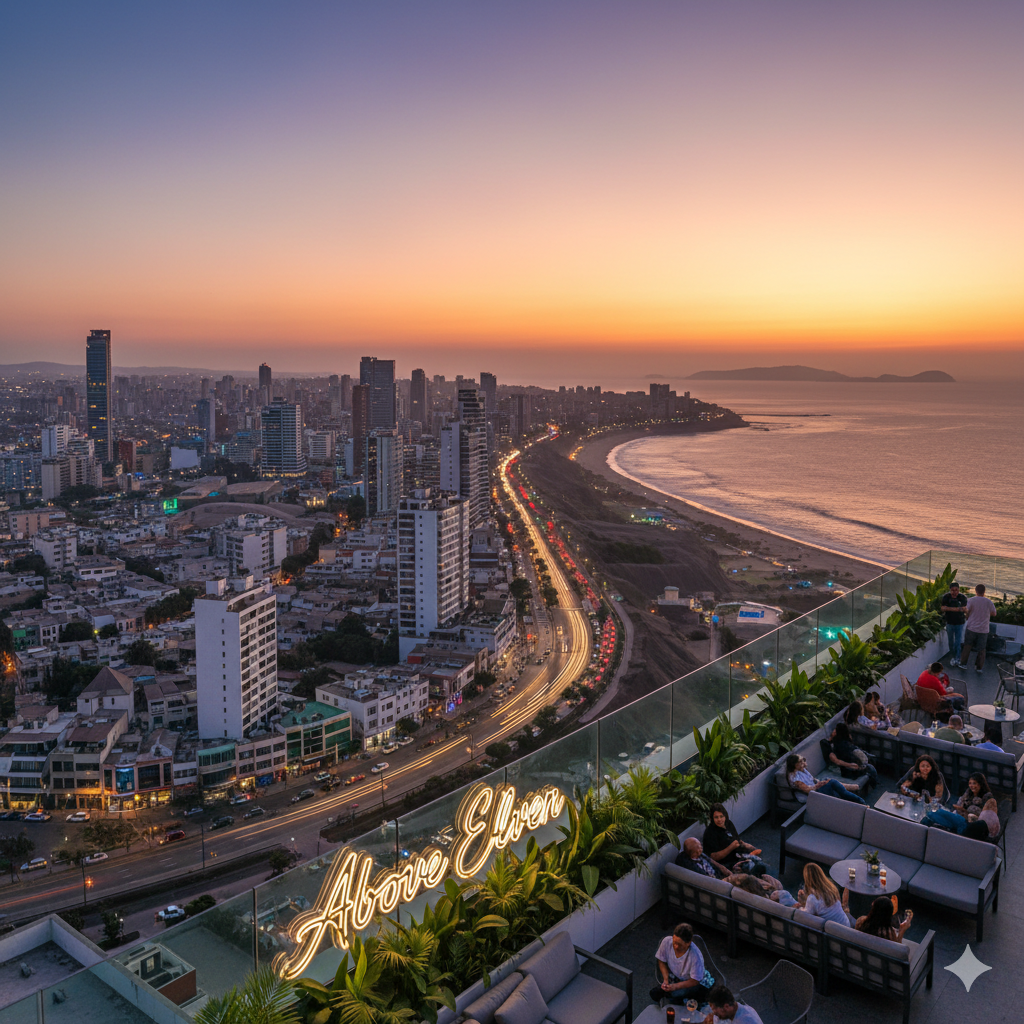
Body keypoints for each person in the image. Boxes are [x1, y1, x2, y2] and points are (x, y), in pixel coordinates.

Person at [651, 922, 714, 1004]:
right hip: (674, 976)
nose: (676, 947)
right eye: (674, 942)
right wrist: (665, 980)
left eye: (680, 945)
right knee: (657, 993)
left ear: (688, 943)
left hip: (690, 981)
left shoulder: (695, 956)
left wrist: (675, 986)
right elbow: (661, 961)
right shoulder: (666, 942)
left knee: (675, 994)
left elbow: (695, 981)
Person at [923, 773, 999, 840]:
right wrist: (960, 809)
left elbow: (983, 819)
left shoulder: (987, 799)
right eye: (970, 783)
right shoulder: (968, 793)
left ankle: (923, 825)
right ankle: (923, 828)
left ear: (980, 784)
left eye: (974, 783)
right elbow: (960, 803)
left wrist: (966, 812)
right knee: (932, 817)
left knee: (935, 812)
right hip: (959, 818)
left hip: (966, 823)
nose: (972, 786)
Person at [702, 803, 767, 876]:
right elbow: (713, 857)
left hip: (737, 856)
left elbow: (737, 841)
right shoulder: (710, 833)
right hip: (725, 864)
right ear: (712, 819)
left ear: (725, 816)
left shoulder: (728, 824)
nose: (719, 819)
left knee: (761, 866)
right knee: (756, 869)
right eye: (716, 817)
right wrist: (731, 847)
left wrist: (745, 845)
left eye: (721, 816)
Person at [786, 753, 866, 804]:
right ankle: (858, 798)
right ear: (795, 764)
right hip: (814, 793)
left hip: (816, 788)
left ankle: (853, 796)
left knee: (831, 783)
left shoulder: (802, 770)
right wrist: (818, 785)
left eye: (803, 760)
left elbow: (812, 780)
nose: (803, 762)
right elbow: (807, 790)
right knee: (832, 783)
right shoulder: (795, 778)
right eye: (801, 761)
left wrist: (819, 782)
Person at [823, 723, 878, 788]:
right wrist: (850, 765)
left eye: (835, 729)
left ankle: (873, 783)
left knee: (870, 766)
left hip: (851, 763)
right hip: (845, 769)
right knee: (870, 768)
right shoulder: (832, 745)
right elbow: (836, 761)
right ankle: (873, 784)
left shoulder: (843, 743)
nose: (834, 731)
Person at [960, 584, 997, 674]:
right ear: (984, 592)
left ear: (976, 591)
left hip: (971, 627)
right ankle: (979, 667)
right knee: (981, 649)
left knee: (967, 646)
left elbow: (967, 610)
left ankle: (963, 664)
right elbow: (994, 613)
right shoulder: (989, 602)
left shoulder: (972, 600)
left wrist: (968, 615)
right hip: (983, 629)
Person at [941, 582, 968, 666]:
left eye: (956, 590)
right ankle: (953, 656)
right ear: (950, 590)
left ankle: (957, 657)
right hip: (949, 622)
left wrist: (948, 608)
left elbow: (964, 609)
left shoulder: (962, 597)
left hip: (960, 623)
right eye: (952, 590)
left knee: (958, 641)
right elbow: (942, 608)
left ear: (958, 590)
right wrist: (957, 609)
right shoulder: (946, 597)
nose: (954, 592)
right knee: (950, 641)